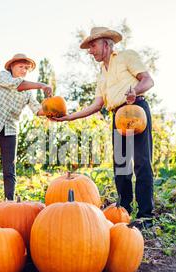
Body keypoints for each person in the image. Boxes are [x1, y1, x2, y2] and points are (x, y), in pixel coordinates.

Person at [54, 27, 155, 225]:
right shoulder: (101, 74)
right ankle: (124, 211)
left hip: (135, 108)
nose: (90, 51)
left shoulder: (127, 56)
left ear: (106, 44)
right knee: (121, 165)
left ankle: (146, 215)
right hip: (118, 115)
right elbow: (97, 104)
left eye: (92, 45)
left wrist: (133, 91)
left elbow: (148, 80)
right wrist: (69, 117)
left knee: (142, 162)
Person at [0, 53, 52, 203]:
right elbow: (18, 84)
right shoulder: (3, 76)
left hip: (10, 129)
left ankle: (9, 202)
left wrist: (51, 109)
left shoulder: (28, 93)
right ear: (12, 67)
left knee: (9, 168)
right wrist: (42, 85)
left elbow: (37, 110)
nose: (24, 70)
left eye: (26, 68)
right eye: (21, 67)